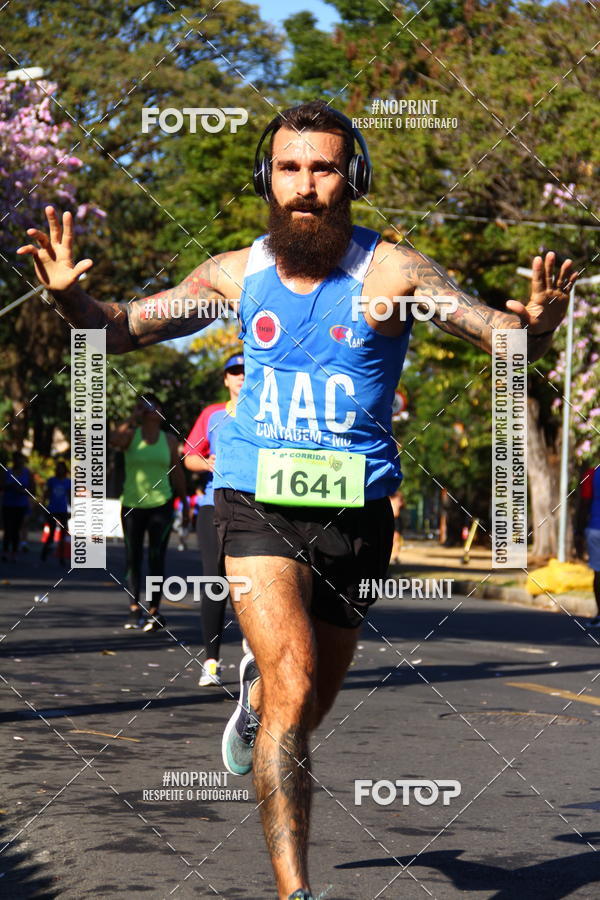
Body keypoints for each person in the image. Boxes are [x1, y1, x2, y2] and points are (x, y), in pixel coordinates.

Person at [19, 99, 578, 900]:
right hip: (255, 500)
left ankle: (256, 703)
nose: (306, 186)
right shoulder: (235, 274)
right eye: (290, 168)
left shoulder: (393, 272)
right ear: (267, 178)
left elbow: (497, 333)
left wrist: (538, 327)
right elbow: (118, 328)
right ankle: (296, 892)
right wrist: (71, 302)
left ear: (353, 178)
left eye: (324, 168)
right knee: (295, 679)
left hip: (359, 513)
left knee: (305, 702)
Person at [184, 353, 245, 687]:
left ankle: (256, 648)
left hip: (255, 505)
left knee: (252, 582)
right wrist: (209, 462)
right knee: (214, 580)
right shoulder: (212, 414)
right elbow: (189, 456)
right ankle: (211, 661)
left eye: (246, 370)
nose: (241, 376)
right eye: (234, 372)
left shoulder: (267, 412)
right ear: (225, 379)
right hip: (213, 505)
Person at [109, 394, 189, 631]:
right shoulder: (130, 436)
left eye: (155, 405)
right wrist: (131, 418)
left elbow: (177, 472)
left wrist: (184, 503)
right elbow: (113, 440)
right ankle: (134, 607)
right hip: (132, 506)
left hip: (161, 505)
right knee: (133, 557)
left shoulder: (169, 440)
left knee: (157, 558)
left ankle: (154, 609)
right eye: (146, 405)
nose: (152, 409)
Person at [575, 464, 600, 627]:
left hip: (595, 529)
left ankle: (599, 614)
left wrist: (578, 531)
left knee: (598, 572)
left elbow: (584, 503)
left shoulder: (592, 474)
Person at [2, 451, 33, 563]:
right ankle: (5, 551)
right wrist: (10, 486)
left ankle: (14, 552)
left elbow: (32, 489)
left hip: (21, 504)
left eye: (20, 459)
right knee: (8, 529)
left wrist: (23, 491)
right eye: (16, 459)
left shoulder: (27, 473)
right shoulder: (7, 472)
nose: (18, 461)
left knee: (16, 529)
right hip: (8, 504)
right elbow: (1, 486)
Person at [40, 460, 71, 565]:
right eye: (59, 468)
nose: (60, 470)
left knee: (63, 534)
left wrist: (71, 510)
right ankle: (45, 551)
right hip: (52, 509)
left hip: (63, 510)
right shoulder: (52, 481)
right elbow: (46, 493)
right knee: (52, 532)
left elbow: (70, 497)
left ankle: (62, 557)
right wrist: (44, 506)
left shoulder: (68, 482)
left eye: (62, 469)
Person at [389, 489, 405, 563]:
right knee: (392, 539)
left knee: (396, 539)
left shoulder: (398, 497)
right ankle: (393, 556)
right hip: (391, 519)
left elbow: (402, 505)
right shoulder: (388, 497)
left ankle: (395, 556)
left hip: (396, 520)